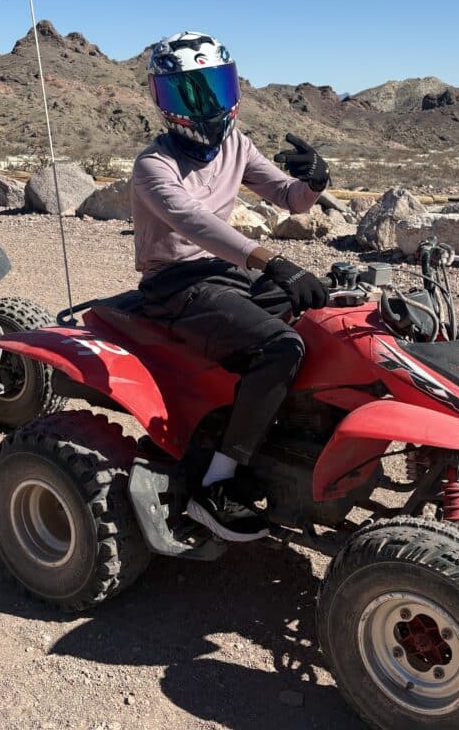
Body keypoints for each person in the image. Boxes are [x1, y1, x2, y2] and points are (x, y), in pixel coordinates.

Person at [131, 31, 330, 543]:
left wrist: (314, 181)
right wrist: (274, 263)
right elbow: (195, 224)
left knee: (323, 308)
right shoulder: (153, 165)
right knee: (280, 345)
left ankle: (288, 435)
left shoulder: (236, 144)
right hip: (174, 284)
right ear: (162, 99)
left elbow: (290, 198)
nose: (204, 103)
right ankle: (214, 488)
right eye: (186, 92)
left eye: (213, 86)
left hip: (224, 273)